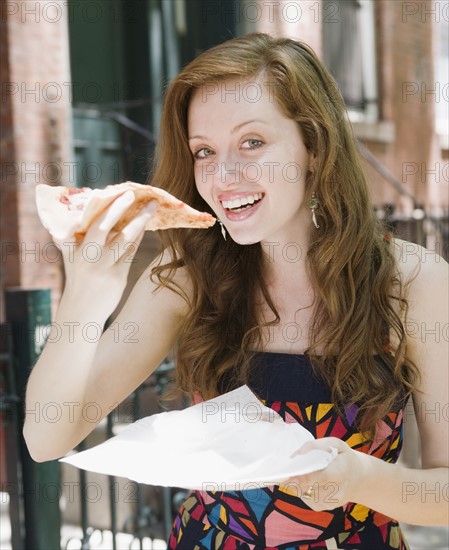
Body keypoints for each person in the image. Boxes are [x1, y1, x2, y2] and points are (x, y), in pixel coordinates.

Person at [24, 33, 448, 549]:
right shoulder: (188, 274)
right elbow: (47, 438)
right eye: (204, 151)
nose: (224, 176)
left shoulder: (413, 283)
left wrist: (363, 482)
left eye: (252, 142)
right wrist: (86, 296)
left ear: (313, 147)